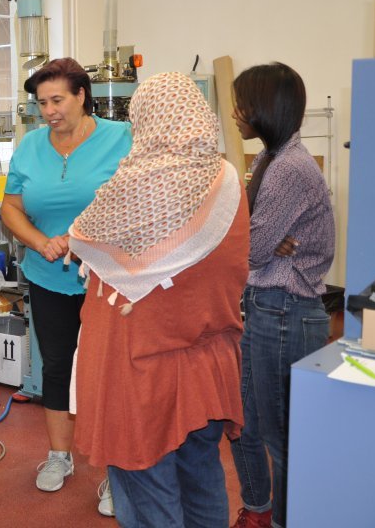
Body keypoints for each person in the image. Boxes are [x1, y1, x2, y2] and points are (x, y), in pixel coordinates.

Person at [70, 71, 250, 528]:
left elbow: (82, 237)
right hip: (208, 360)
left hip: (141, 368)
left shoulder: (135, 187)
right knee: (202, 476)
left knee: (148, 488)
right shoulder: (228, 179)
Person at [0, 57, 131, 513]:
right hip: (48, 278)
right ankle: (60, 456)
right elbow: (11, 207)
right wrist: (40, 243)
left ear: (81, 95)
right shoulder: (30, 146)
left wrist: (85, 240)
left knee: (109, 372)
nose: (49, 111)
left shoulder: (121, 138)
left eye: (57, 100)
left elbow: (138, 204)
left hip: (107, 280)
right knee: (56, 367)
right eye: (42, 103)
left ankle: (117, 472)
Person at [228, 62, 335, 528]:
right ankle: (257, 509)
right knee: (243, 423)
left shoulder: (288, 168)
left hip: (286, 312)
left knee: (281, 438)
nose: (235, 113)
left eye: (243, 104)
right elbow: (253, 238)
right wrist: (261, 238)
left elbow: (249, 249)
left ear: (266, 109)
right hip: (266, 308)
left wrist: (257, 239)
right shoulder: (269, 160)